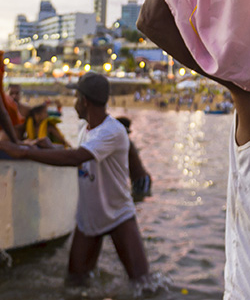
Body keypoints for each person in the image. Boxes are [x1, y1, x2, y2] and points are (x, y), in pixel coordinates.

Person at [0, 72, 149, 286]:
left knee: (143, 285)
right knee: (75, 282)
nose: (74, 104)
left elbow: (76, 157)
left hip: (118, 215)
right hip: (89, 215)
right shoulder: (84, 128)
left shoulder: (113, 131)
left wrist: (22, 152)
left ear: (85, 101)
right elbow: (82, 160)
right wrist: (50, 148)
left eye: (76, 98)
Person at [116, 116, 152, 201]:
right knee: (135, 202)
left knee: (136, 202)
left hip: (141, 180)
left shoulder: (125, 142)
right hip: (138, 180)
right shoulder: (126, 142)